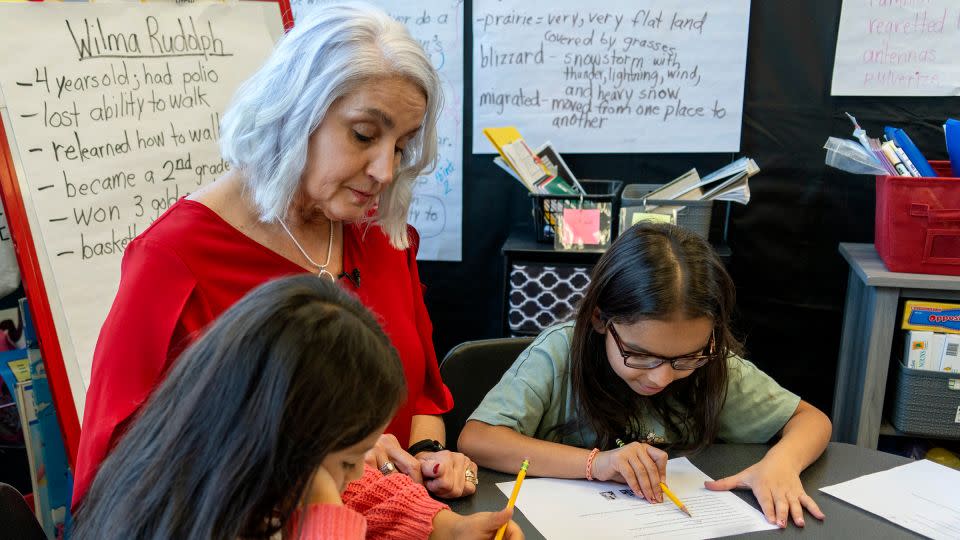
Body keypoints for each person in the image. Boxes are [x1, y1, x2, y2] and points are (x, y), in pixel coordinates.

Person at [73, 2, 476, 506]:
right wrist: (328, 462)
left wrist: (427, 454)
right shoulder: (174, 261)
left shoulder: (379, 238)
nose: (385, 171)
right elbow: (122, 473)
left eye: (401, 146)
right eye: (365, 135)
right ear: (293, 110)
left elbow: (419, 396)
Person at [72, 276, 522, 540]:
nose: (359, 472)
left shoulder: (231, 461)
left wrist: (445, 527)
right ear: (287, 444)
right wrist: (324, 505)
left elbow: (365, 488)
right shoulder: (189, 519)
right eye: (348, 461)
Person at [459, 222, 832, 529]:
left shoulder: (712, 363)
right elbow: (478, 439)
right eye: (640, 356)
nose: (662, 378)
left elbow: (810, 420)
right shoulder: (559, 353)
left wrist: (780, 464)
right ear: (600, 319)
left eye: (685, 359)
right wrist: (596, 464)